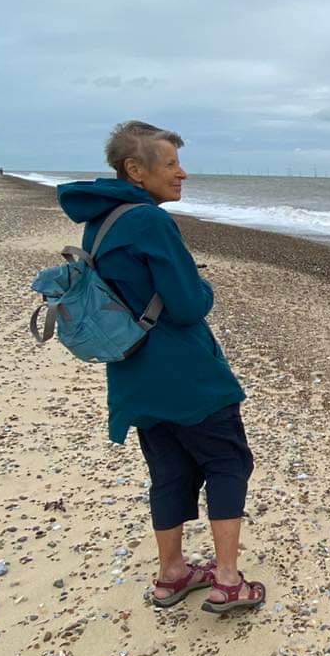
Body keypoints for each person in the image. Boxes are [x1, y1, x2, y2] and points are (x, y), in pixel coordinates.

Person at [56, 121, 266, 612]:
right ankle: (228, 581)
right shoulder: (149, 221)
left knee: (169, 471)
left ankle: (172, 574)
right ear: (136, 169)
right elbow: (190, 305)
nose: (182, 174)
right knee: (227, 461)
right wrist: (206, 288)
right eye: (170, 164)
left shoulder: (101, 219)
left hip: (134, 373)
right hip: (185, 373)